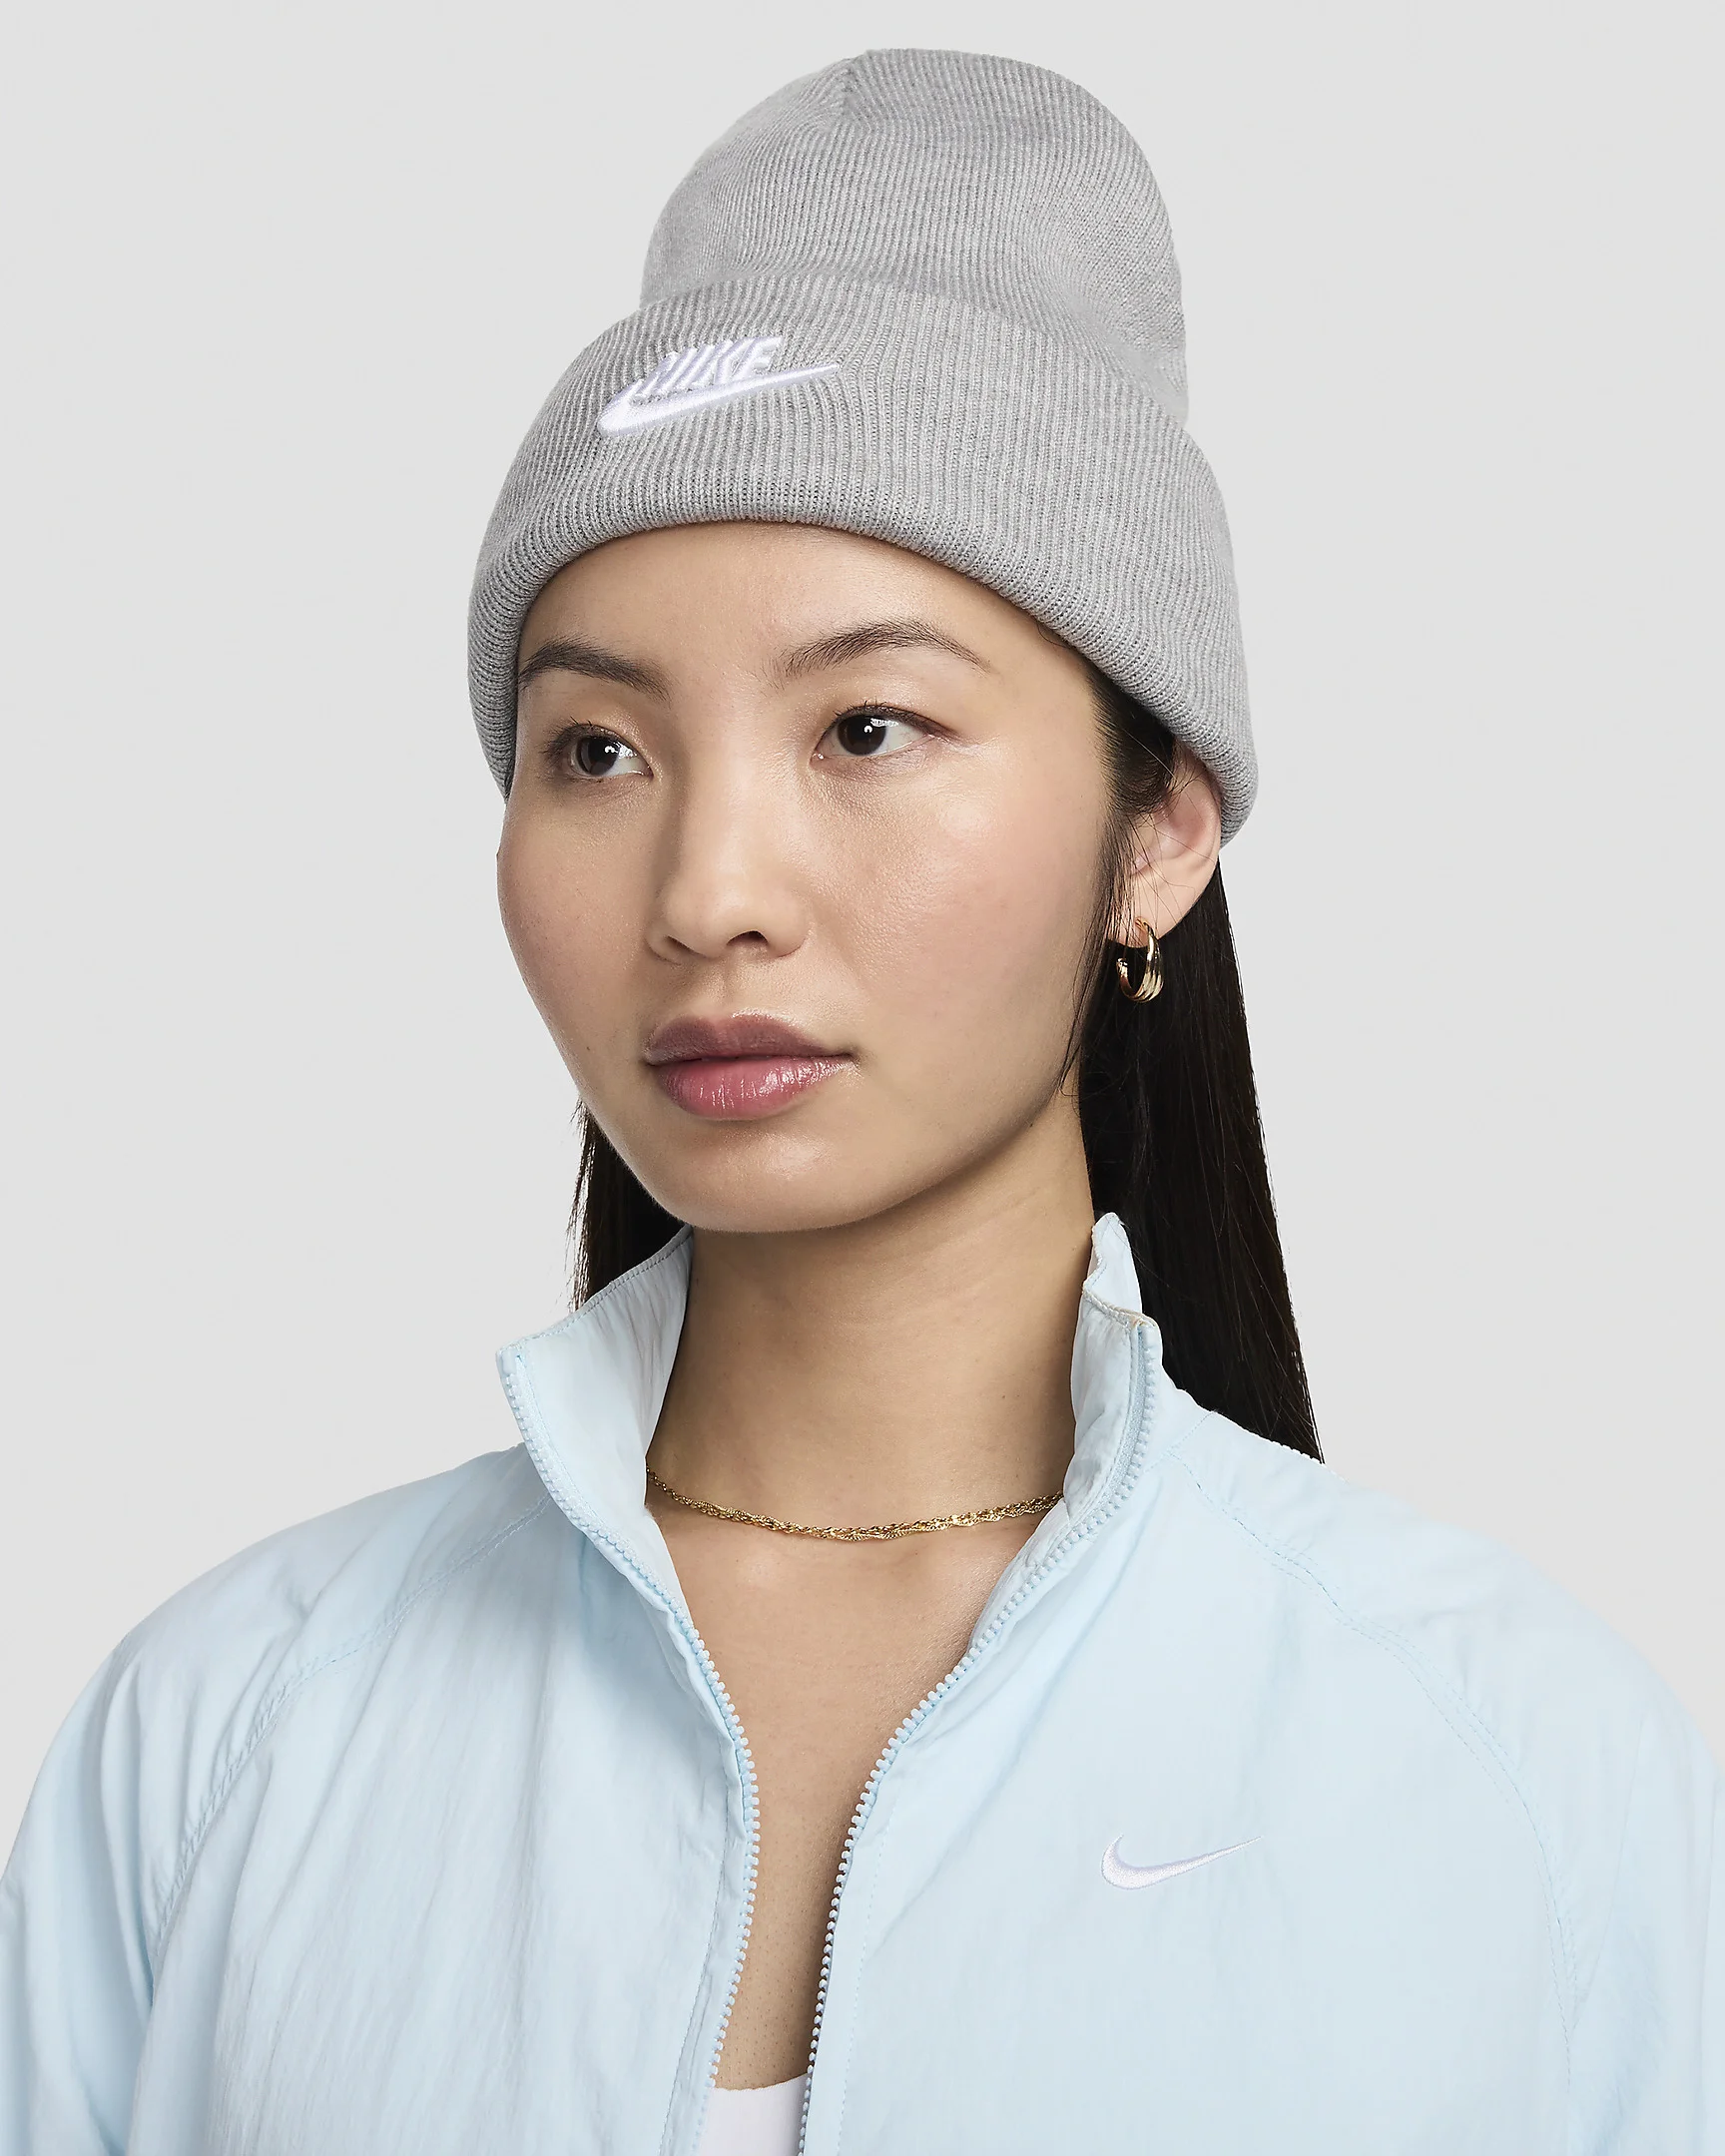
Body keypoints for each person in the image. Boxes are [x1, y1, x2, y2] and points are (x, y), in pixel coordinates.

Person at [2, 47, 1718, 2156]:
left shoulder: (1525, 1779)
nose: (710, 892)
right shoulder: (218, 1740)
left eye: (869, 729)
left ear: (1162, 826)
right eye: (598, 751)